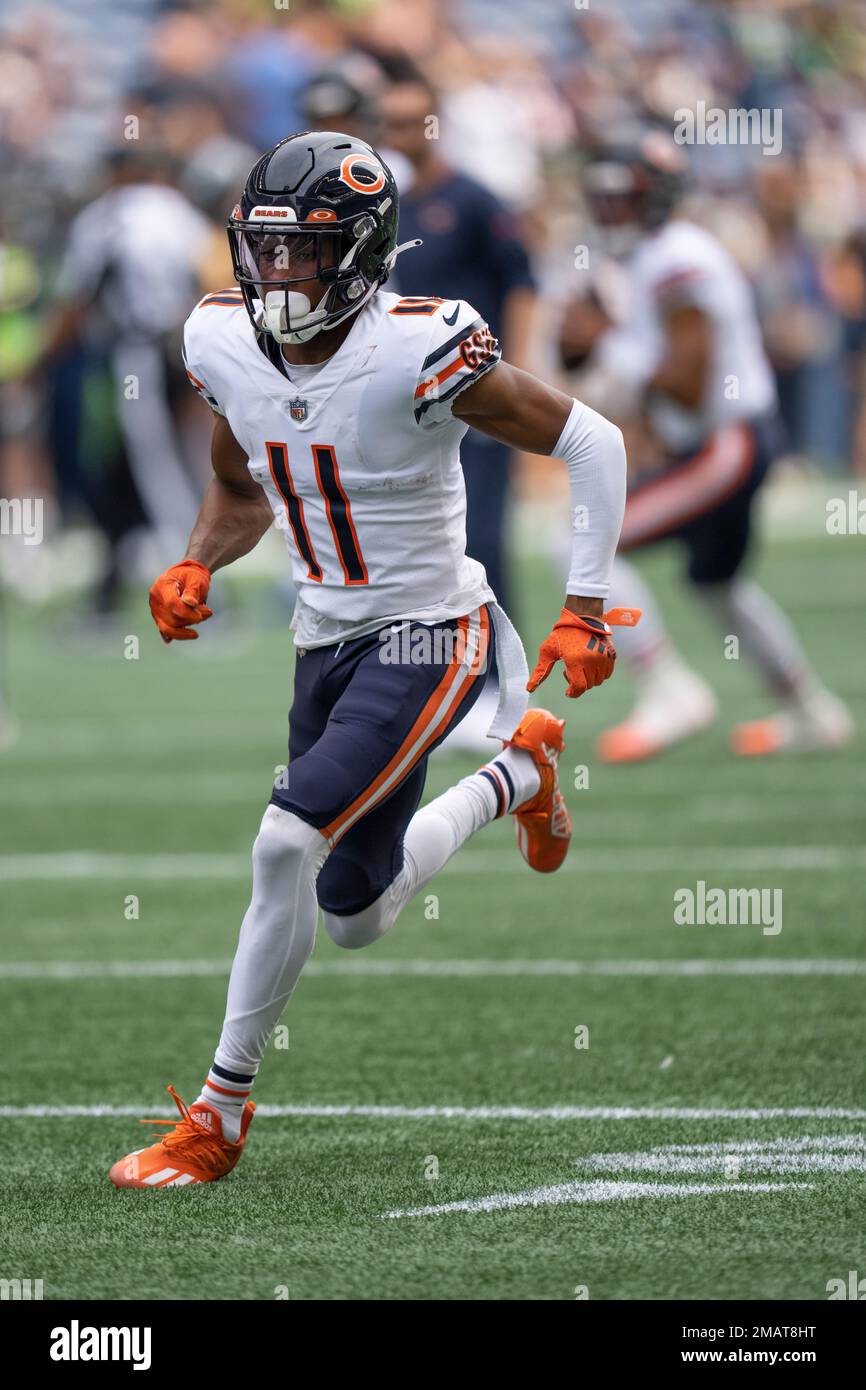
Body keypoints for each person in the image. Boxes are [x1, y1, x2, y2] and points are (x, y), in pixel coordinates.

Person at [107, 131, 631, 1189]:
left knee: (279, 842)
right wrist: (198, 561)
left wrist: (584, 604)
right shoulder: (218, 339)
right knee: (354, 912)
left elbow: (592, 442)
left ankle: (217, 1114)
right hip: (323, 639)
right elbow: (243, 484)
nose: (277, 273)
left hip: (431, 630)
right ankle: (516, 774)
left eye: (302, 251)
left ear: (358, 251)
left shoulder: (422, 344)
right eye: (263, 249)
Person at [558, 130, 853, 762]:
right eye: (602, 199)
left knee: (585, 539)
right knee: (716, 584)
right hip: (720, 443)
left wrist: (606, 341)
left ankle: (667, 688)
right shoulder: (648, 259)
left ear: (656, 198)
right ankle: (808, 708)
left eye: (624, 199)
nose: (610, 213)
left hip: (728, 443)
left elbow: (690, 389)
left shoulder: (676, 260)